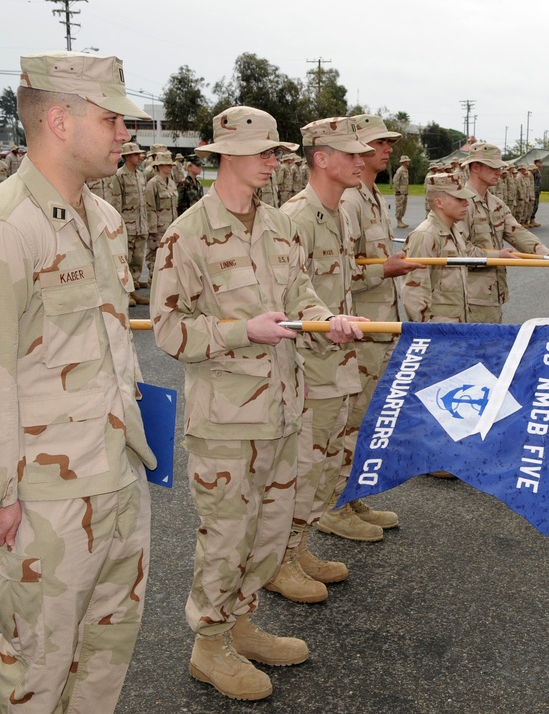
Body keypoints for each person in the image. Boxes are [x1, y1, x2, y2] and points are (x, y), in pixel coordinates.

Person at [0, 51, 156, 713]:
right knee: (36, 672)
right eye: (115, 119)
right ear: (61, 120)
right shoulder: (3, 230)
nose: (127, 134)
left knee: (104, 658)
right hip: (44, 505)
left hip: (117, 476)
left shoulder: (103, 219)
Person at [150, 105, 364, 701]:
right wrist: (246, 330)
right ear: (227, 156)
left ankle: (239, 624)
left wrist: (329, 320)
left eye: (277, 152)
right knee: (226, 536)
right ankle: (209, 646)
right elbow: (169, 332)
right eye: (265, 152)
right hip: (225, 422)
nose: (274, 161)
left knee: (269, 532)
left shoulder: (277, 226)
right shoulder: (186, 235)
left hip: (284, 410)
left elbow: (302, 295)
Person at [267, 116, 370, 602]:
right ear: (321, 158)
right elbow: (282, 299)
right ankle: (279, 561)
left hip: (337, 365)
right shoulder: (296, 218)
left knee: (325, 465)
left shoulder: (339, 212)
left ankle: (298, 546)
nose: (361, 160)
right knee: (302, 470)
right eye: (350, 154)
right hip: (308, 369)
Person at [324, 114, 423, 543]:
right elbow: (336, 272)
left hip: (377, 321)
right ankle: (333, 505)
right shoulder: (347, 200)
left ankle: (350, 491)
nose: (387, 150)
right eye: (380, 144)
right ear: (359, 149)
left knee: (363, 417)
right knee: (346, 419)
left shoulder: (370, 194)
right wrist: (385, 270)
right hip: (358, 323)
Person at [460, 143, 549, 323]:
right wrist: (497, 255)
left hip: (492, 293)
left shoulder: (495, 203)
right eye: (493, 166)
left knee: (492, 344)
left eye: (500, 167)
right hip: (468, 294)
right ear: (475, 167)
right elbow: (458, 250)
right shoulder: (461, 204)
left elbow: (518, 233)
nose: (499, 171)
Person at [402, 173, 478, 322]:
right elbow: (415, 293)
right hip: (437, 330)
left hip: (455, 326)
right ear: (439, 203)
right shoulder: (425, 235)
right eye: (459, 198)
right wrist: (425, 333)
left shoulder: (454, 231)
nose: (466, 203)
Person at [109, 141, 149, 304]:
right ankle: (125, 294)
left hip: (140, 225)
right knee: (124, 260)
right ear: (126, 157)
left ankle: (133, 292)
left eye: (140, 154)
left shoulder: (140, 176)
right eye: (135, 154)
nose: (140, 157)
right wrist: (118, 227)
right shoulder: (119, 176)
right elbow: (116, 204)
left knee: (137, 260)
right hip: (127, 225)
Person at [144, 150, 178, 285]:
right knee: (155, 254)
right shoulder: (153, 183)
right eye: (166, 164)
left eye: (171, 164)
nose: (170, 167)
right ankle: (153, 278)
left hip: (171, 225)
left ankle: (165, 279)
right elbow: (150, 207)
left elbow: (174, 206)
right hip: (158, 227)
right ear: (159, 166)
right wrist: (152, 229)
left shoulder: (171, 183)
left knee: (169, 253)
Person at [393, 154, 411, 227]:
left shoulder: (405, 170)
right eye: (407, 161)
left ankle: (401, 220)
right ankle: (398, 221)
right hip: (400, 192)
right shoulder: (400, 170)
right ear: (404, 162)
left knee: (403, 207)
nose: (408, 162)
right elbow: (395, 180)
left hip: (404, 192)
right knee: (399, 207)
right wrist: (397, 190)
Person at [529, 159, 543, 227]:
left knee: (536, 205)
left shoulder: (538, 171)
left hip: (537, 191)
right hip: (534, 191)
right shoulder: (534, 171)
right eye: (539, 163)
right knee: (533, 205)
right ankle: (530, 220)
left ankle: (532, 219)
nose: (541, 164)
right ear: (536, 163)